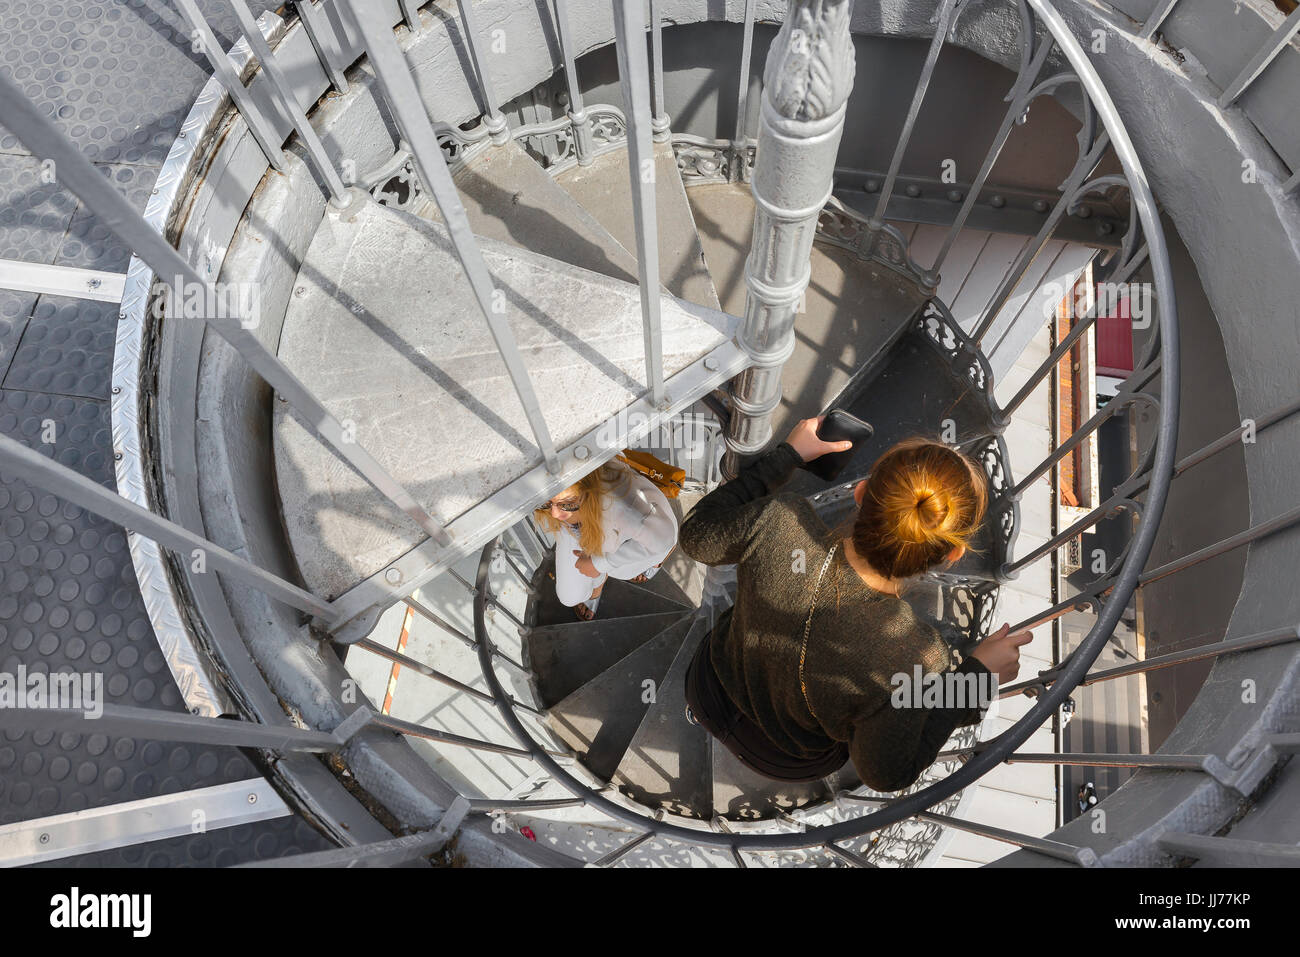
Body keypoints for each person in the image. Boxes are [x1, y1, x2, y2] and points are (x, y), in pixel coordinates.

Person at [679, 416, 1033, 791]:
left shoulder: (779, 521)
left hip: (708, 686)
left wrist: (787, 456)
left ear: (861, 493)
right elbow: (887, 773)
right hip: (783, 758)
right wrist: (975, 680)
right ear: (953, 555)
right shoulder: (916, 656)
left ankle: (698, 716)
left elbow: (697, 536)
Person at [534, 458, 679, 620]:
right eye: (546, 502)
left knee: (628, 566)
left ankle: (652, 559)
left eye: (567, 504)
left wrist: (599, 564)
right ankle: (607, 573)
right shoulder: (564, 509)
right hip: (596, 531)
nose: (554, 514)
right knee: (569, 597)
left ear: (588, 489)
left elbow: (663, 538)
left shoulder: (619, 506)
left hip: (648, 530)